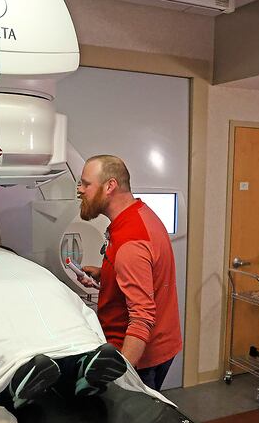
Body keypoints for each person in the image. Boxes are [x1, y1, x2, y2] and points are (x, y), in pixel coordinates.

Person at [0, 243, 170, 422]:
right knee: (57, 328)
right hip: (40, 282)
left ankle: (17, 378)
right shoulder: (7, 254)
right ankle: (80, 361)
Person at [76, 155, 182, 391]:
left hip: (138, 356)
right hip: (161, 341)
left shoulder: (130, 242)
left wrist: (122, 376)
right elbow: (147, 275)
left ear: (110, 186)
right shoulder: (140, 213)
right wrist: (105, 275)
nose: (80, 190)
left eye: (86, 183)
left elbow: (142, 317)